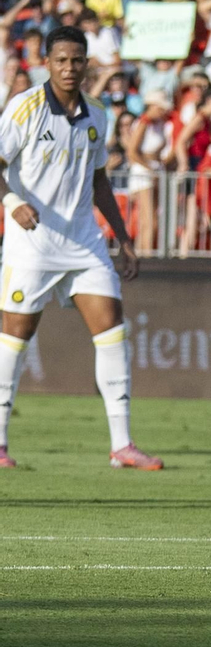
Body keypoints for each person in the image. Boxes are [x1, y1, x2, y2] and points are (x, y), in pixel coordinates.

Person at [0, 28, 152, 470]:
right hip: (31, 245)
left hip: (84, 243)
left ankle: (122, 446)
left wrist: (122, 237)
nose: (70, 68)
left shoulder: (98, 115)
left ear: (87, 64)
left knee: (113, 332)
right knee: (14, 340)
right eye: (62, 60)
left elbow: (99, 179)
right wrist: (12, 203)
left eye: (77, 61)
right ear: (47, 62)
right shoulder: (24, 108)